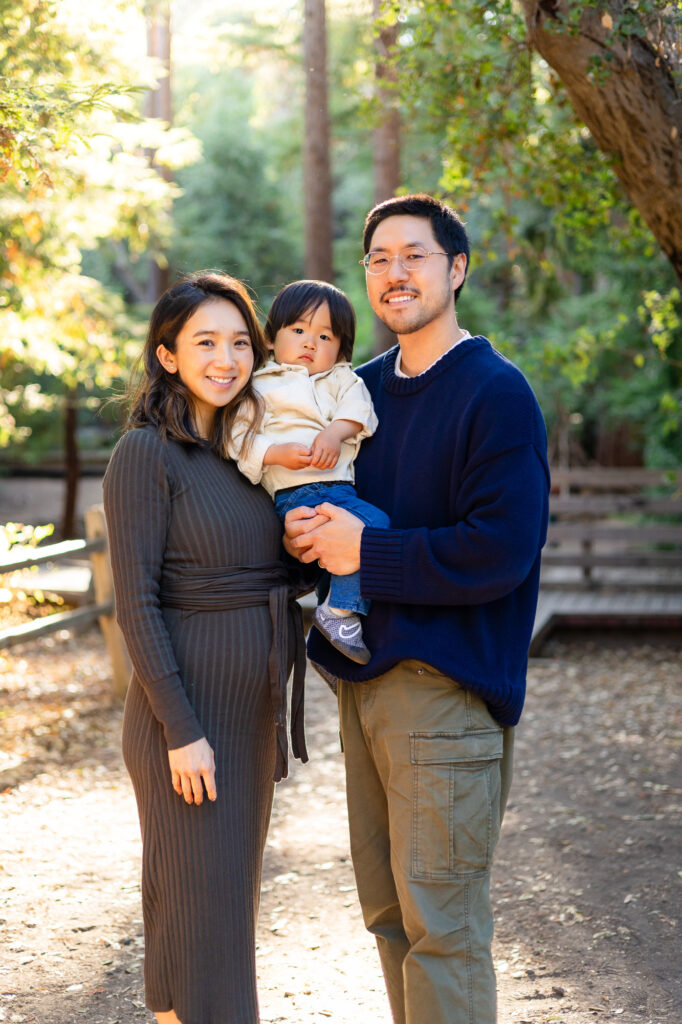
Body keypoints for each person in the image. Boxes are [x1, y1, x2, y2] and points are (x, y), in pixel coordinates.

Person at [285, 194, 550, 1024]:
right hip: (361, 688)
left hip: (443, 690)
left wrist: (368, 553)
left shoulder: (496, 393)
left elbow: (499, 551)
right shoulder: (351, 393)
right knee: (390, 919)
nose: (395, 273)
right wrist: (304, 531)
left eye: (415, 255)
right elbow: (313, 498)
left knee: (442, 927)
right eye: (379, 259)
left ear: (455, 268)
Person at [103, 271, 307, 1024]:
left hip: (249, 716)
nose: (226, 359)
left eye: (239, 343)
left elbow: (279, 567)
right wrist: (182, 733)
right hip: (185, 722)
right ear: (166, 356)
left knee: (212, 913)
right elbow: (138, 605)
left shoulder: (249, 455)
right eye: (204, 343)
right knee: (201, 915)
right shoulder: (145, 456)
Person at [228, 279, 389, 665]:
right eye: (298, 330)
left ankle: (331, 645)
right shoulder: (258, 387)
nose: (309, 343)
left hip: (337, 491)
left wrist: (334, 434)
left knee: (341, 556)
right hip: (294, 495)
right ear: (270, 339)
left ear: (341, 348)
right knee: (376, 528)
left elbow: (360, 411)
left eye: (324, 336)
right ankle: (338, 614)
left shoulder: (341, 379)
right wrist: (275, 453)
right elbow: (237, 439)